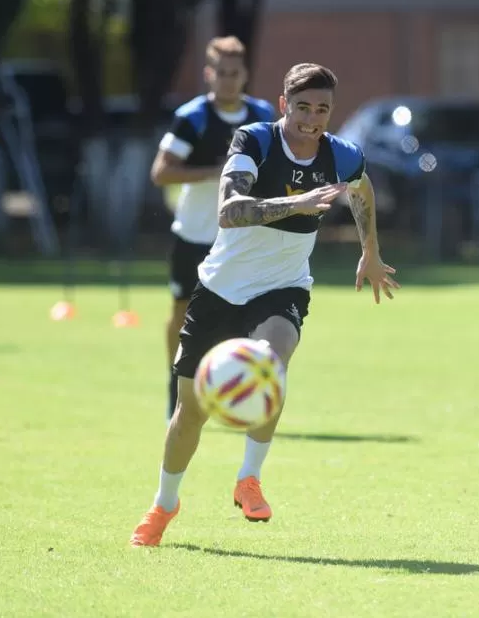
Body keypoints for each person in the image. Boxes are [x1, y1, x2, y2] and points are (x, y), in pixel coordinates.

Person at [131, 62, 400, 547]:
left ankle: (248, 478)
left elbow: (361, 190)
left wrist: (371, 251)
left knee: (272, 361)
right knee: (190, 413)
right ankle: (164, 504)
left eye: (322, 110)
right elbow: (230, 211)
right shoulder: (252, 141)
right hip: (220, 289)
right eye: (302, 107)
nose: (311, 119)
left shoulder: (341, 154)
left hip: (283, 287)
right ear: (284, 105)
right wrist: (296, 203)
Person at [150, 35, 275, 421]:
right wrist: (214, 172)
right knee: (183, 311)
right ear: (209, 74)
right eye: (220, 73)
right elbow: (161, 173)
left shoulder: (262, 115)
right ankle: (176, 387)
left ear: (245, 75)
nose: (227, 80)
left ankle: (235, 392)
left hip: (238, 237)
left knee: (242, 316)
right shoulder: (193, 118)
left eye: (234, 73)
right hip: (193, 233)